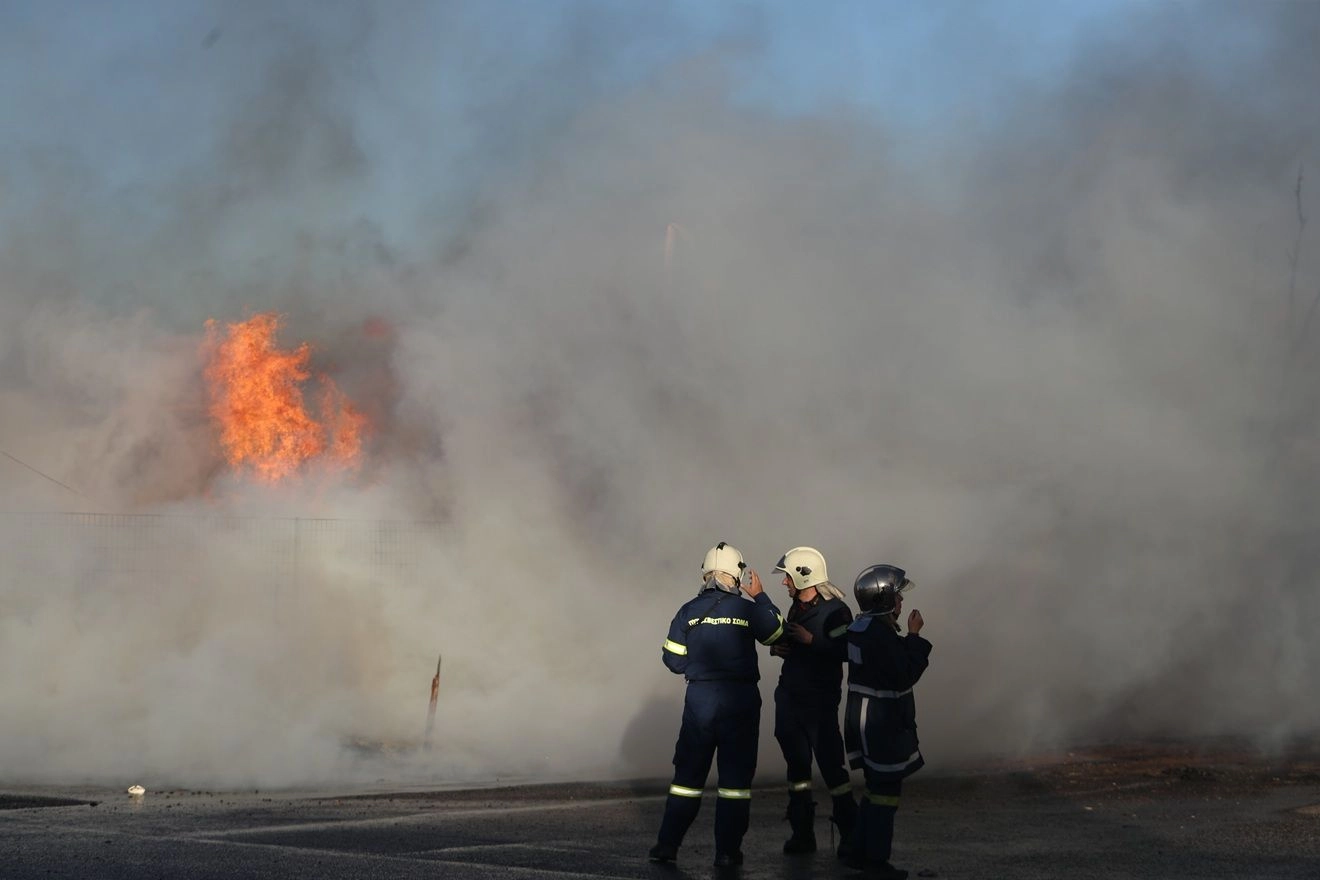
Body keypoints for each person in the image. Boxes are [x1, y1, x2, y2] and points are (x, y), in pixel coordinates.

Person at [648, 541, 786, 868]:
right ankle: (727, 853)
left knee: (687, 780)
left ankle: (667, 846)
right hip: (740, 700)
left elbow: (672, 659)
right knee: (734, 785)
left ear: (705, 573)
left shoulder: (688, 611)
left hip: (700, 700)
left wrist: (699, 670)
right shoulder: (748, 610)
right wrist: (761, 597)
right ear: (737, 575)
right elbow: (776, 633)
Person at [768, 546, 857, 858]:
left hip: (819, 703)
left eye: (788, 577)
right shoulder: (797, 607)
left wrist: (812, 641)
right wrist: (777, 648)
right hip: (791, 700)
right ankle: (802, 834)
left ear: (803, 576)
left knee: (833, 769)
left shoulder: (837, 612)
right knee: (797, 771)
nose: (784, 582)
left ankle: (851, 836)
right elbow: (791, 644)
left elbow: (848, 651)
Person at [843, 564, 930, 880]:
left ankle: (857, 850)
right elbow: (904, 673)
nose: (901, 601)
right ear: (884, 600)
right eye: (897, 596)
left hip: (865, 721)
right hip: (880, 725)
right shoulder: (879, 635)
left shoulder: (862, 628)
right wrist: (915, 636)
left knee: (875, 789)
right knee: (885, 793)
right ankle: (876, 863)